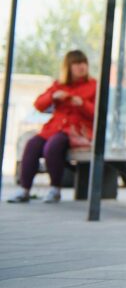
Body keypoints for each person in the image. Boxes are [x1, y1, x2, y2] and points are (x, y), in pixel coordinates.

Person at [8, 50, 96, 204]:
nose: (81, 67)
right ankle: (24, 189)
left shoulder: (94, 85)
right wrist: (52, 97)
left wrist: (82, 104)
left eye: (83, 63)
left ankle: (55, 188)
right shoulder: (59, 85)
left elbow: (98, 114)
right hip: (54, 128)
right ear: (68, 67)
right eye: (76, 63)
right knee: (32, 144)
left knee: (53, 146)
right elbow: (39, 104)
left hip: (77, 131)